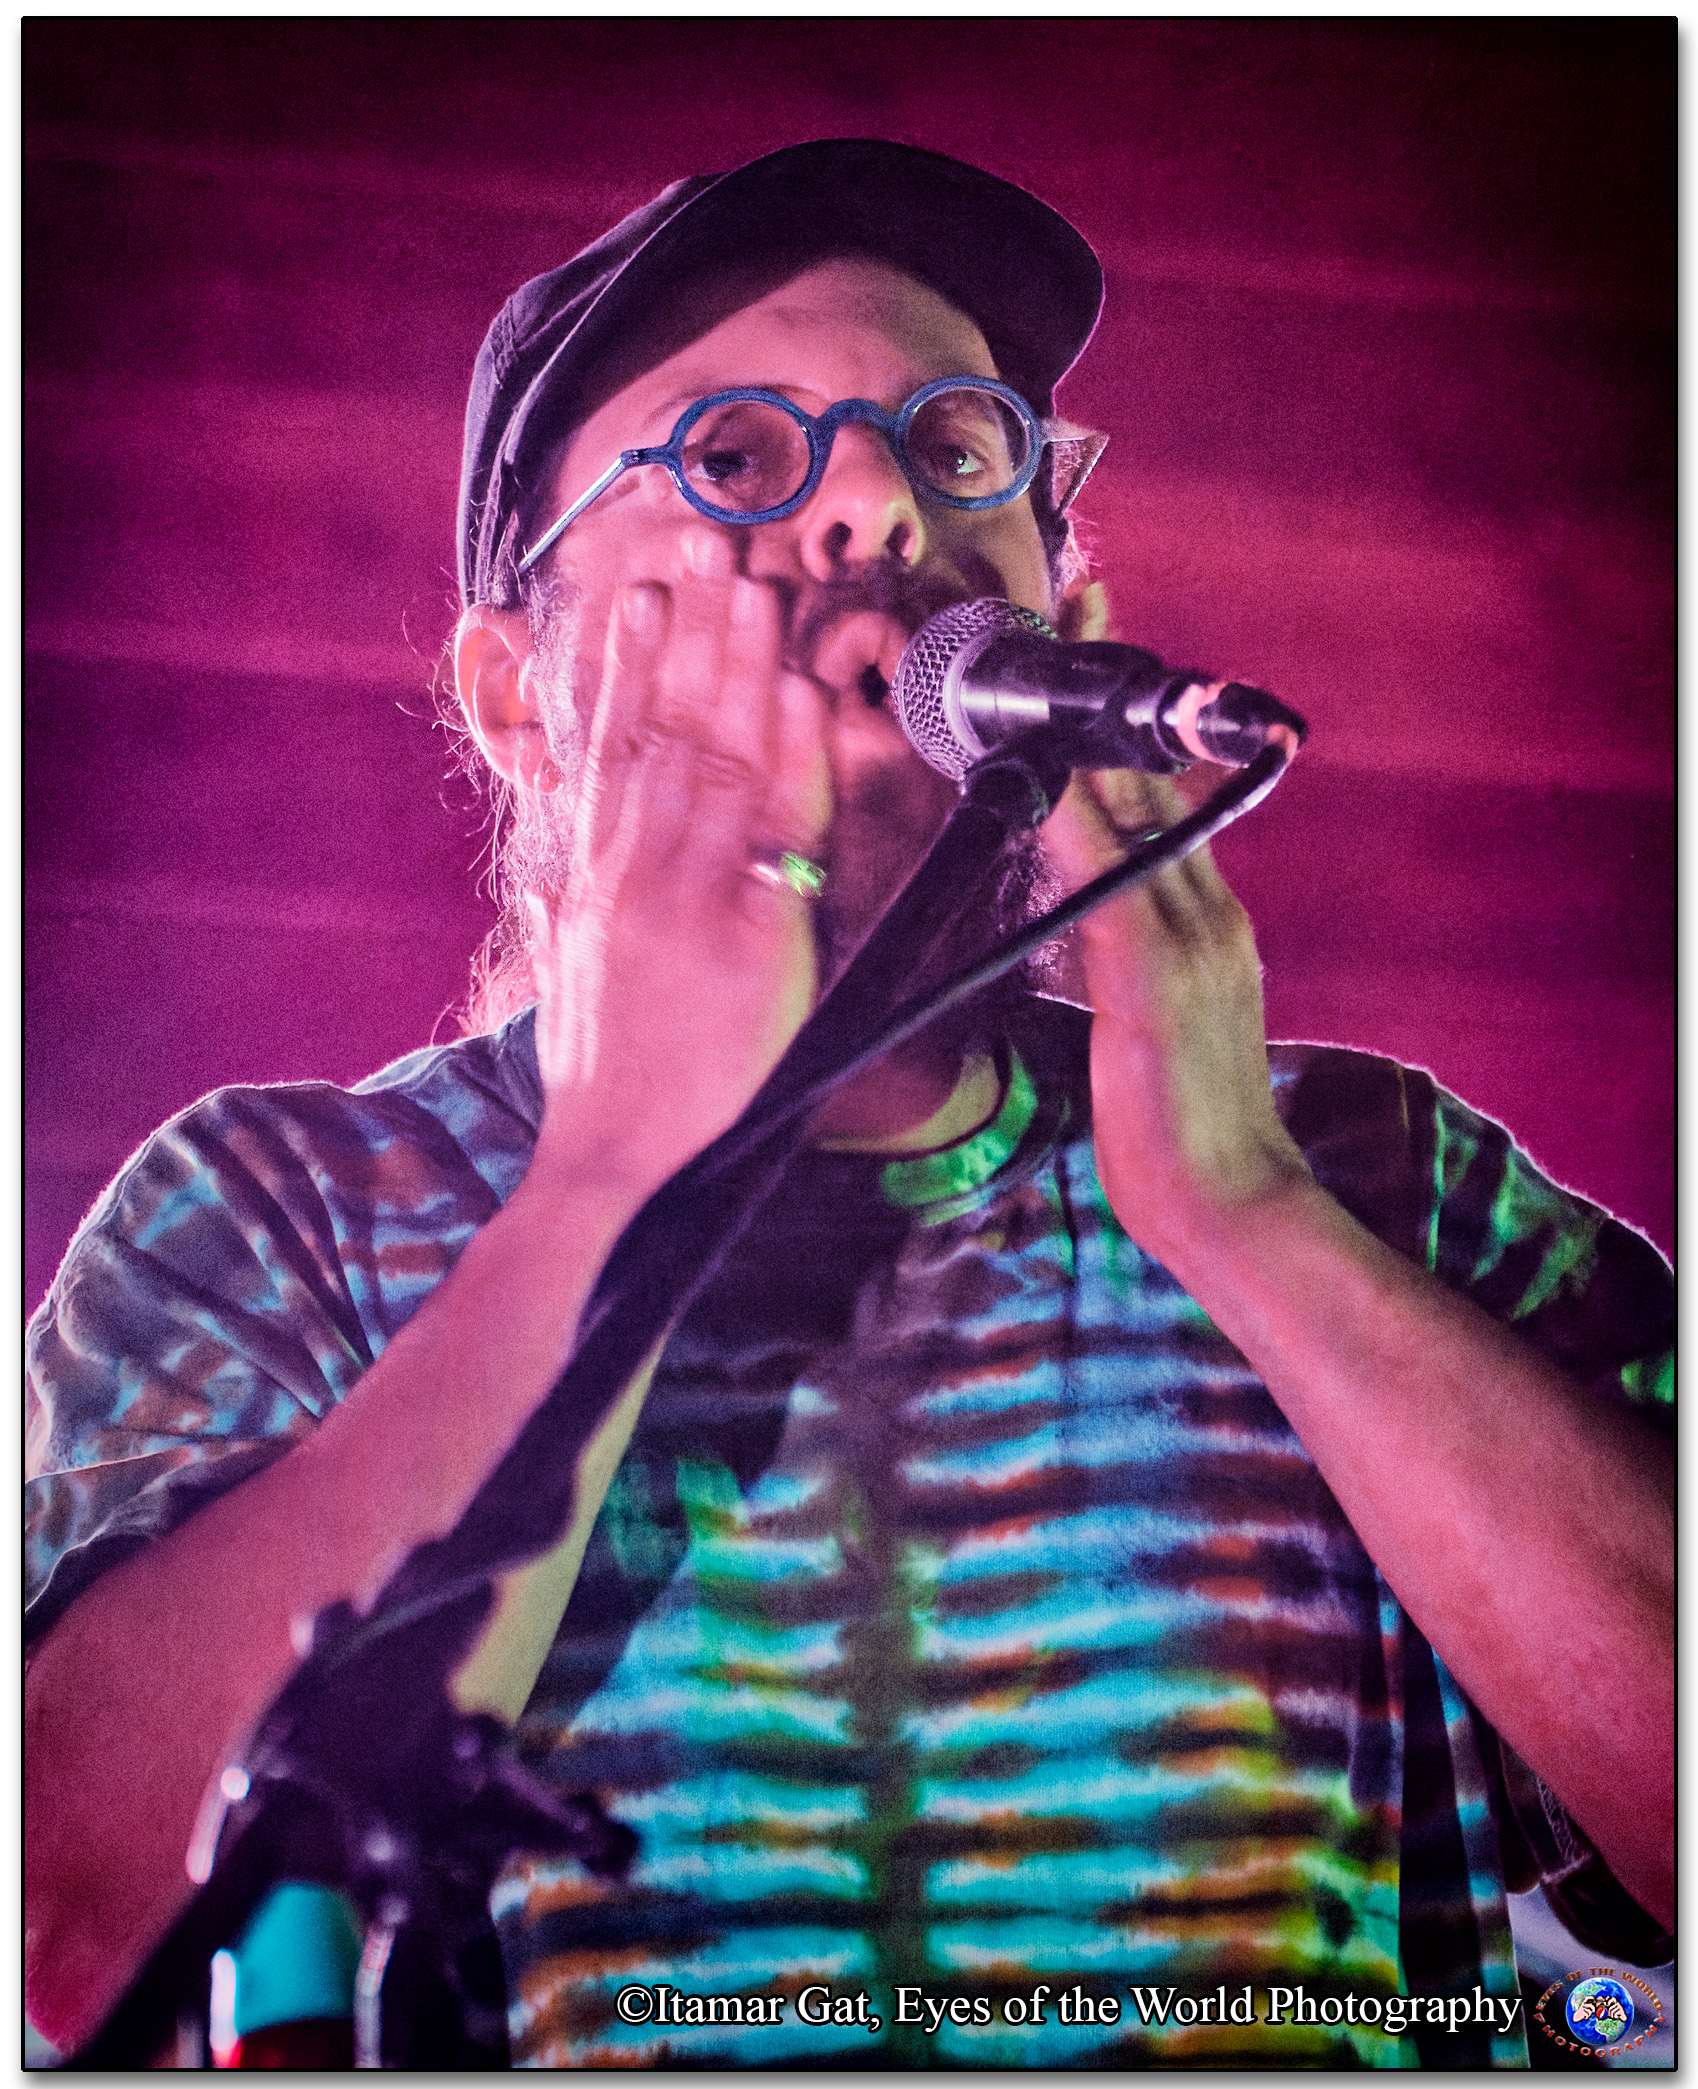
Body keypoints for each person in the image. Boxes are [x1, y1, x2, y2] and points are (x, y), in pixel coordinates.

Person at [24, 140, 1672, 2067]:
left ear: (1065, 604)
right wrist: (609, 1175)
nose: (884, 500)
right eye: (734, 456)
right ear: (518, 694)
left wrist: (1246, 1212)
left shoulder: (1388, 1182)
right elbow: (78, 1930)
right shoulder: (281, 1209)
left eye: (957, 444)